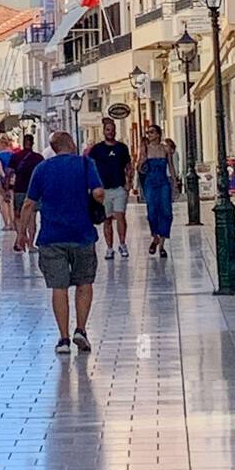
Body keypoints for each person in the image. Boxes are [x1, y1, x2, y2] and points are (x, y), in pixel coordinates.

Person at [21, 131, 104, 354]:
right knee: (84, 283)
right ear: (72, 143)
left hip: (52, 236)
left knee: (59, 288)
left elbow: (29, 204)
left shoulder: (42, 169)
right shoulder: (86, 164)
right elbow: (98, 192)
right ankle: (81, 329)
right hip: (82, 234)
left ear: (54, 148)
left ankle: (64, 339)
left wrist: (22, 234)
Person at [88, 118, 133, 260]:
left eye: (113, 130)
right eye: (108, 130)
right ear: (104, 131)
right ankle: (109, 247)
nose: (110, 132)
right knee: (107, 219)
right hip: (103, 189)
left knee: (120, 216)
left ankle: (122, 243)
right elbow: (90, 166)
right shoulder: (97, 149)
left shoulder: (122, 148)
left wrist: (129, 183)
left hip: (119, 187)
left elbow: (128, 166)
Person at [137, 123, 173, 257]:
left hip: (163, 182)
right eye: (147, 133)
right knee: (152, 212)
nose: (149, 135)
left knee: (166, 212)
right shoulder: (145, 149)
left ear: (158, 134)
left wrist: (174, 184)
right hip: (150, 183)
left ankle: (162, 245)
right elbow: (139, 169)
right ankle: (155, 236)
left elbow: (171, 167)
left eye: (151, 132)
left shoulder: (165, 149)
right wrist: (142, 161)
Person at [8, 133, 44, 252]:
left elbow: (9, 172)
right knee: (32, 218)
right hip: (34, 190)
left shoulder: (16, 157)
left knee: (18, 216)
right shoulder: (38, 158)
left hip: (19, 189)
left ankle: (20, 239)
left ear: (23, 143)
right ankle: (31, 245)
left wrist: (7, 187)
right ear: (32, 143)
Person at [0, 133, 18, 233]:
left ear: (1, 143)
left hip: (2, 181)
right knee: (11, 202)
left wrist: (4, 178)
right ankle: (13, 223)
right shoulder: (13, 155)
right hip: (13, 180)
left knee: (3, 202)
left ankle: (7, 224)